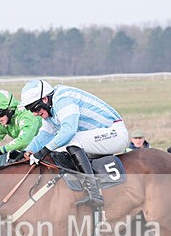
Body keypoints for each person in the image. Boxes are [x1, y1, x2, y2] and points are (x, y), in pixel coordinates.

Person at [20, 79, 128, 209]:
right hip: (99, 137)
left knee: (70, 141)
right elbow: (45, 135)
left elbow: (68, 131)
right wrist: (26, 152)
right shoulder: (51, 108)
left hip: (114, 134)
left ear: (44, 99)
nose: (35, 114)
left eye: (35, 108)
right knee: (60, 147)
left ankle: (94, 193)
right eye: (30, 110)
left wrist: (43, 151)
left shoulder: (63, 99)